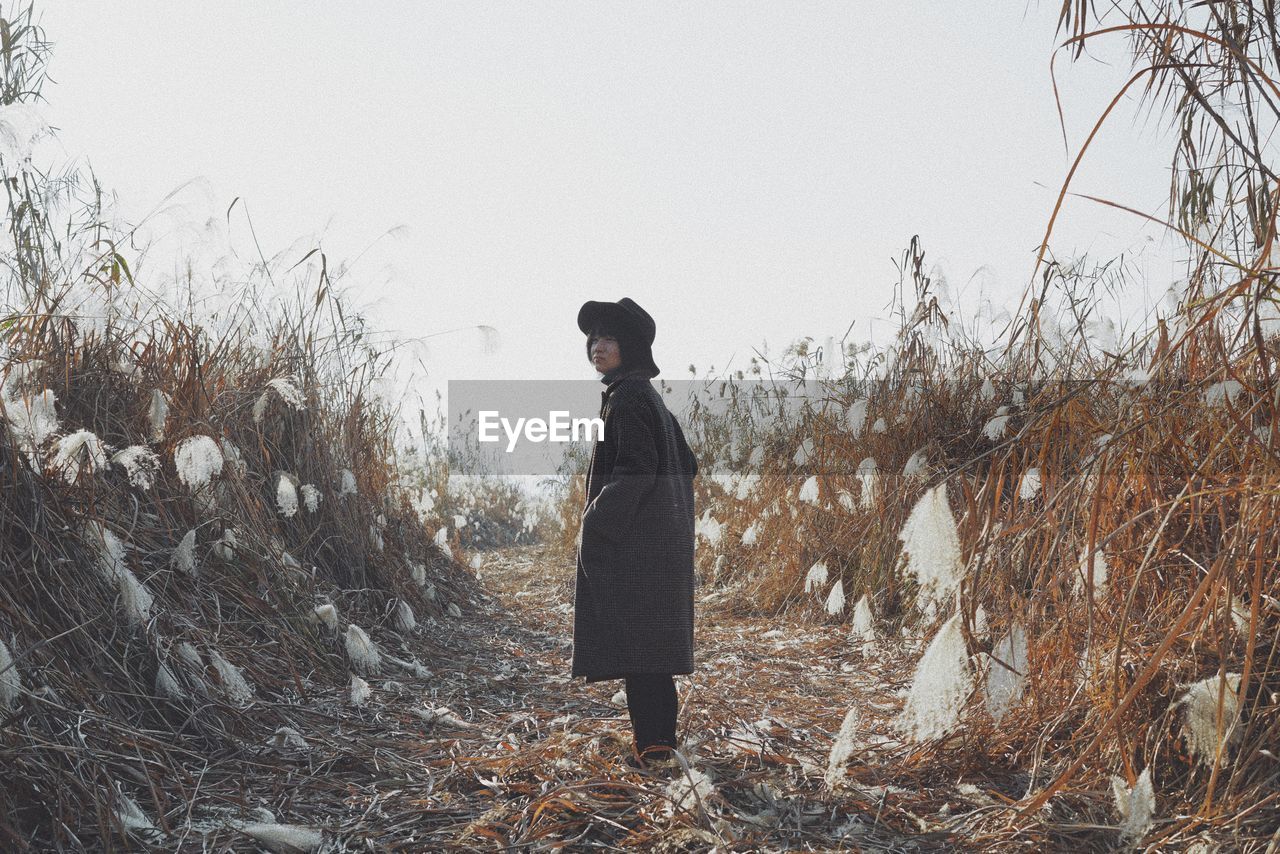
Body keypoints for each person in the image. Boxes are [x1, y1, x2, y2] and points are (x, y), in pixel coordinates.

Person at [573, 297, 698, 770]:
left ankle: (654, 752)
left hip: (638, 554)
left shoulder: (627, 398)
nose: (596, 347)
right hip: (655, 551)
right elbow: (687, 465)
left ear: (630, 346)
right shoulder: (649, 398)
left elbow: (637, 471)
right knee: (649, 659)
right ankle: (658, 750)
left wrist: (596, 523)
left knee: (642, 661)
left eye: (607, 339)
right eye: (592, 339)